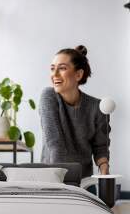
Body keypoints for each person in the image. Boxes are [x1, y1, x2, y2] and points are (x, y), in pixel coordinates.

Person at [39, 45, 110, 177]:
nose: (54, 75)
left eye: (62, 68)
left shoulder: (97, 107)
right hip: (53, 179)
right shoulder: (48, 96)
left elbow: (100, 148)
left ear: (78, 74)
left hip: (84, 183)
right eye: (52, 68)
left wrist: (105, 173)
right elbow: (54, 143)